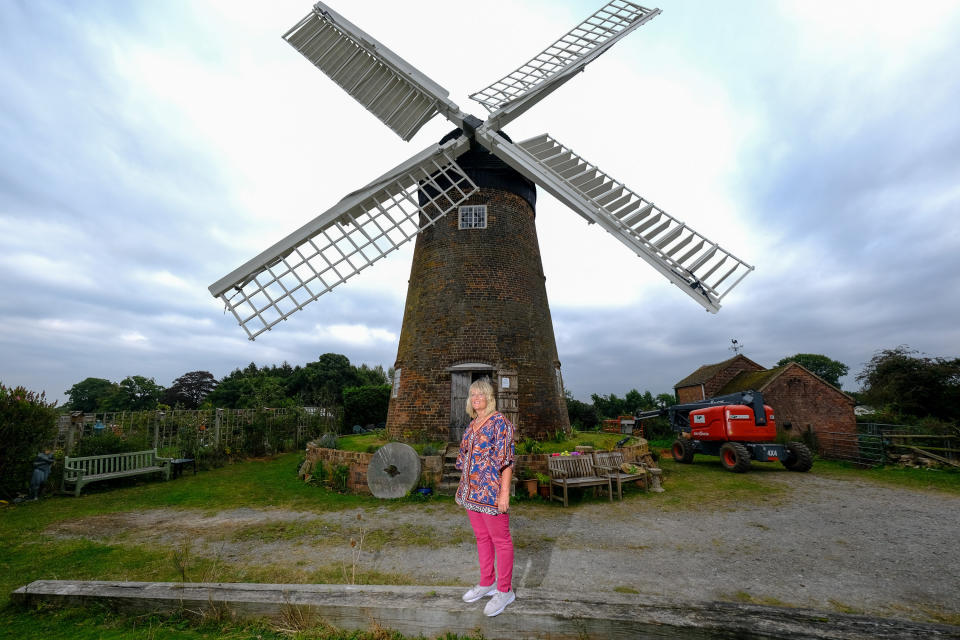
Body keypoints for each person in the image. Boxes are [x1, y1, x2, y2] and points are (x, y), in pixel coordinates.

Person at [454, 377, 516, 617]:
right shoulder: (472, 425)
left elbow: (506, 461)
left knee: (501, 539)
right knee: (481, 538)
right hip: (471, 493)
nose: (476, 398)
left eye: (481, 394)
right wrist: (463, 487)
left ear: (489, 398)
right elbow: (465, 459)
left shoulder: (500, 423)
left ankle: (505, 590)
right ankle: (487, 582)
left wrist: (504, 493)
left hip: (491, 493)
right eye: (473, 395)